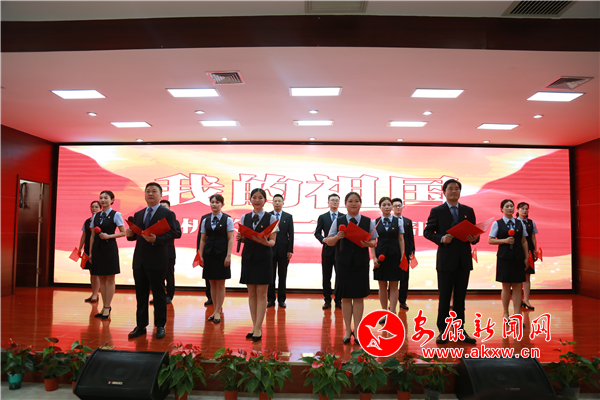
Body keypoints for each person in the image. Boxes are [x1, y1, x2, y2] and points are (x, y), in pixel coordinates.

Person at [423, 179, 478, 344]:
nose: (454, 191)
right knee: (445, 297)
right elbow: (427, 232)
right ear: (444, 192)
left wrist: (474, 238)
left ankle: (460, 330)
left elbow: (475, 234)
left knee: (460, 298)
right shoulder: (437, 211)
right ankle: (443, 330)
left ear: (460, 192)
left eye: (457, 189)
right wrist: (441, 238)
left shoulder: (468, 210)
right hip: (446, 260)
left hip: (463, 260)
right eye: (450, 189)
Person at [126, 182, 180, 340]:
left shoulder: (167, 213)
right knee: (141, 294)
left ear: (160, 195)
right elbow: (137, 236)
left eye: (154, 191)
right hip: (140, 260)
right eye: (147, 191)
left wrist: (157, 239)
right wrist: (130, 234)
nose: (150, 194)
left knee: (159, 294)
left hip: (158, 259)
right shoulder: (139, 214)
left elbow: (175, 233)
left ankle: (160, 325)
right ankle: (141, 326)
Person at [327, 192, 377, 345]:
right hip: (343, 264)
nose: (353, 203)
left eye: (356, 201)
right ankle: (348, 330)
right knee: (346, 297)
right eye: (350, 201)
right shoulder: (338, 221)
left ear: (360, 204)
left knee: (359, 297)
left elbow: (374, 242)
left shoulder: (368, 221)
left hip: (361, 264)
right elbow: (329, 241)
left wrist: (368, 243)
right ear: (345, 204)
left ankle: (358, 329)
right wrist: (337, 237)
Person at [236, 188, 278, 342]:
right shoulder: (244, 217)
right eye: (254, 197)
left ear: (265, 201)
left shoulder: (271, 218)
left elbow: (273, 242)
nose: (257, 200)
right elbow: (244, 237)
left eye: (260, 198)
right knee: (251, 293)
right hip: (248, 257)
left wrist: (265, 242)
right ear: (250, 200)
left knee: (261, 293)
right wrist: (240, 237)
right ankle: (254, 325)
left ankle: (259, 327)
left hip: (263, 258)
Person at [489, 199, 529, 322]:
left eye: (511, 206)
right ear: (502, 209)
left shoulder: (520, 223)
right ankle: (506, 313)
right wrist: (504, 241)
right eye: (507, 206)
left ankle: (517, 315)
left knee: (517, 285)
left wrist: (526, 257)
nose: (510, 208)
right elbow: (491, 240)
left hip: (518, 258)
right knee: (506, 286)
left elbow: (524, 241)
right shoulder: (497, 223)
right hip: (504, 258)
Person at [89, 191, 126, 319]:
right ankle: (104, 306)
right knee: (101, 279)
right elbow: (92, 236)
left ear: (112, 200)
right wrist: (91, 252)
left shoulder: (116, 215)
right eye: (101, 198)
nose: (103, 200)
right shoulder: (96, 216)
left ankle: (107, 307)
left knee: (110, 279)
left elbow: (123, 232)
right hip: (98, 249)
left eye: (106, 198)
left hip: (109, 249)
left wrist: (109, 236)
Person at [198, 194, 234, 324]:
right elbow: (203, 239)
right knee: (212, 283)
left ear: (222, 204)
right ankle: (215, 309)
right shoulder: (205, 220)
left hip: (221, 254)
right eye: (212, 202)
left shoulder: (227, 219)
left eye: (217, 202)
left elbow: (230, 239)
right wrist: (200, 255)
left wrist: (228, 255)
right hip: (209, 255)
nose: (214, 204)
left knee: (220, 283)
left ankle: (218, 310)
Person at [371, 197, 405, 314]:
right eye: (384, 205)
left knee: (394, 285)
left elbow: (401, 239)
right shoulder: (375, 222)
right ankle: (384, 312)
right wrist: (374, 257)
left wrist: (402, 255)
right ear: (380, 207)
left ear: (391, 207)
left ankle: (392, 312)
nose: (386, 207)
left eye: (388, 205)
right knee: (382, 285)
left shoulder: (398, 221)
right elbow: (372, 241)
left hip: (395, 257)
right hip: (380, 258)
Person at [314, 193, 344, 310]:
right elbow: (317, 232)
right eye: (332, 200)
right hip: (327, 250)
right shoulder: (323, 217)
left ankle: (338, 299)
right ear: (328, 202)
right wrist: (323, 240)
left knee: (340, 276)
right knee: (326, 276)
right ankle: (327, 300)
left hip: (340, 250)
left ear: (339, 203)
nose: (335, 202)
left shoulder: (343, 217)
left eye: (337, 200)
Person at [148, 200, 181, 305]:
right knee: (155, 276)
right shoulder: (153, 221)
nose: (162, 209)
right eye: (160, 207)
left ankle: (169, 296)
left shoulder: (173, 221)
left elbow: (178, 234)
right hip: (155, 252)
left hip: (168, 252)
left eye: (165, 207)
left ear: (169, 209)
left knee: (169, 275)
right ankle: (158, 296)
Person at [268, 194, 294, 308]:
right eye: (275, 201)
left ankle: (282, 300)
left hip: (284, 250)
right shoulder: (268, 216)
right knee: (270, 275)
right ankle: (270, 299)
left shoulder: (288, 217)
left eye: (279, 201)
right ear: (272, 203)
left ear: (283, 203)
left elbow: (291, 234)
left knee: (282, 276)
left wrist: (290, 250)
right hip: (270, 249)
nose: (277, 203)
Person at [392, 197, 415, 311]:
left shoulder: (407, 221)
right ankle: (392, 302)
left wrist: (412, 252)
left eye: (399, 205)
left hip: (405, 255)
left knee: (404, 279)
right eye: (395, 206)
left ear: (402, 207)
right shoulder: (389, 221)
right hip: (392, 254)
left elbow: (410, 239)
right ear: (392, 208)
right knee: (392, 279)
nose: (397, 207)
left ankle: (402, 301)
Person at [516, 202, 538, 311]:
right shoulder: (514, 222)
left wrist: (534, 251)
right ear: (517, 210)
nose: (525, 211)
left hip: (529, 252)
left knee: (527, 277)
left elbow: (533, 238)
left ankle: (526, 300)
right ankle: (518, 300)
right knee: (518, 277)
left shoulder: (531, 222)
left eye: (526, 209)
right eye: (522, 208)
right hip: (517, 252)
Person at [79, 200, 101, 302]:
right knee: (91, 272)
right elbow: (84, 236)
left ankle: (96, 294)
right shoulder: (87, 221)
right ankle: (94, 293)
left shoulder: (102, 221)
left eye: (96, 207)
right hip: (88, 248)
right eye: (92, 207)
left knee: (97, 272)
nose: (94, 209)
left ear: (100, 208)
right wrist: (80, 248)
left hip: (98, 248)